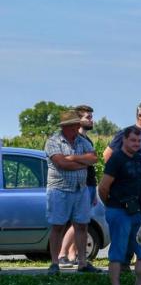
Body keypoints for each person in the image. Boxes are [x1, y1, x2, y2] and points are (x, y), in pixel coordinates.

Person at [98, 126, 141, 285]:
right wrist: (111, 204)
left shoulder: (138, 159)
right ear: (124, 140)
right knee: (118, 252)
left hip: (136, 211)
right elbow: (103, 187)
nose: (136, 144)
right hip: (118, 211)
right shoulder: (116, 159)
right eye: (133, 140)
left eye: (139, 141)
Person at [103, 102, 141, 272]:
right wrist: (120, 175)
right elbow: (108, 154)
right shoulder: (127, 133)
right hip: (129, 190)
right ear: (140, 115)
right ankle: (124, 261)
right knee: (127, 226)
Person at [44, 110, 99, 274]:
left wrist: (73, 158)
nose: (77, 127)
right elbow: (61, 163)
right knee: (58, 226)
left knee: (82, 226)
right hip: (59, 190)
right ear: (66, 126)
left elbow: (94, 158)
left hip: (80, 189)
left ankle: (82, 262)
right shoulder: (53, 142)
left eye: (77, 124)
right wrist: (83, 161)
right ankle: (55, 263)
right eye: (74, 125)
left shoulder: (82, 141)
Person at [58, 105, 100, 269]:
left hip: (89, 185)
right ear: (78, 120)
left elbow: (92, 161)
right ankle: (62, 254)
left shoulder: (86, 140)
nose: (91, 120)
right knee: (78, 222)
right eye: (87, 117)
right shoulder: (76, 140)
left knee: (83, 222)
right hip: (80, 185)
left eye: (91, 117)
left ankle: (72, 255)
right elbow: (71, 160)